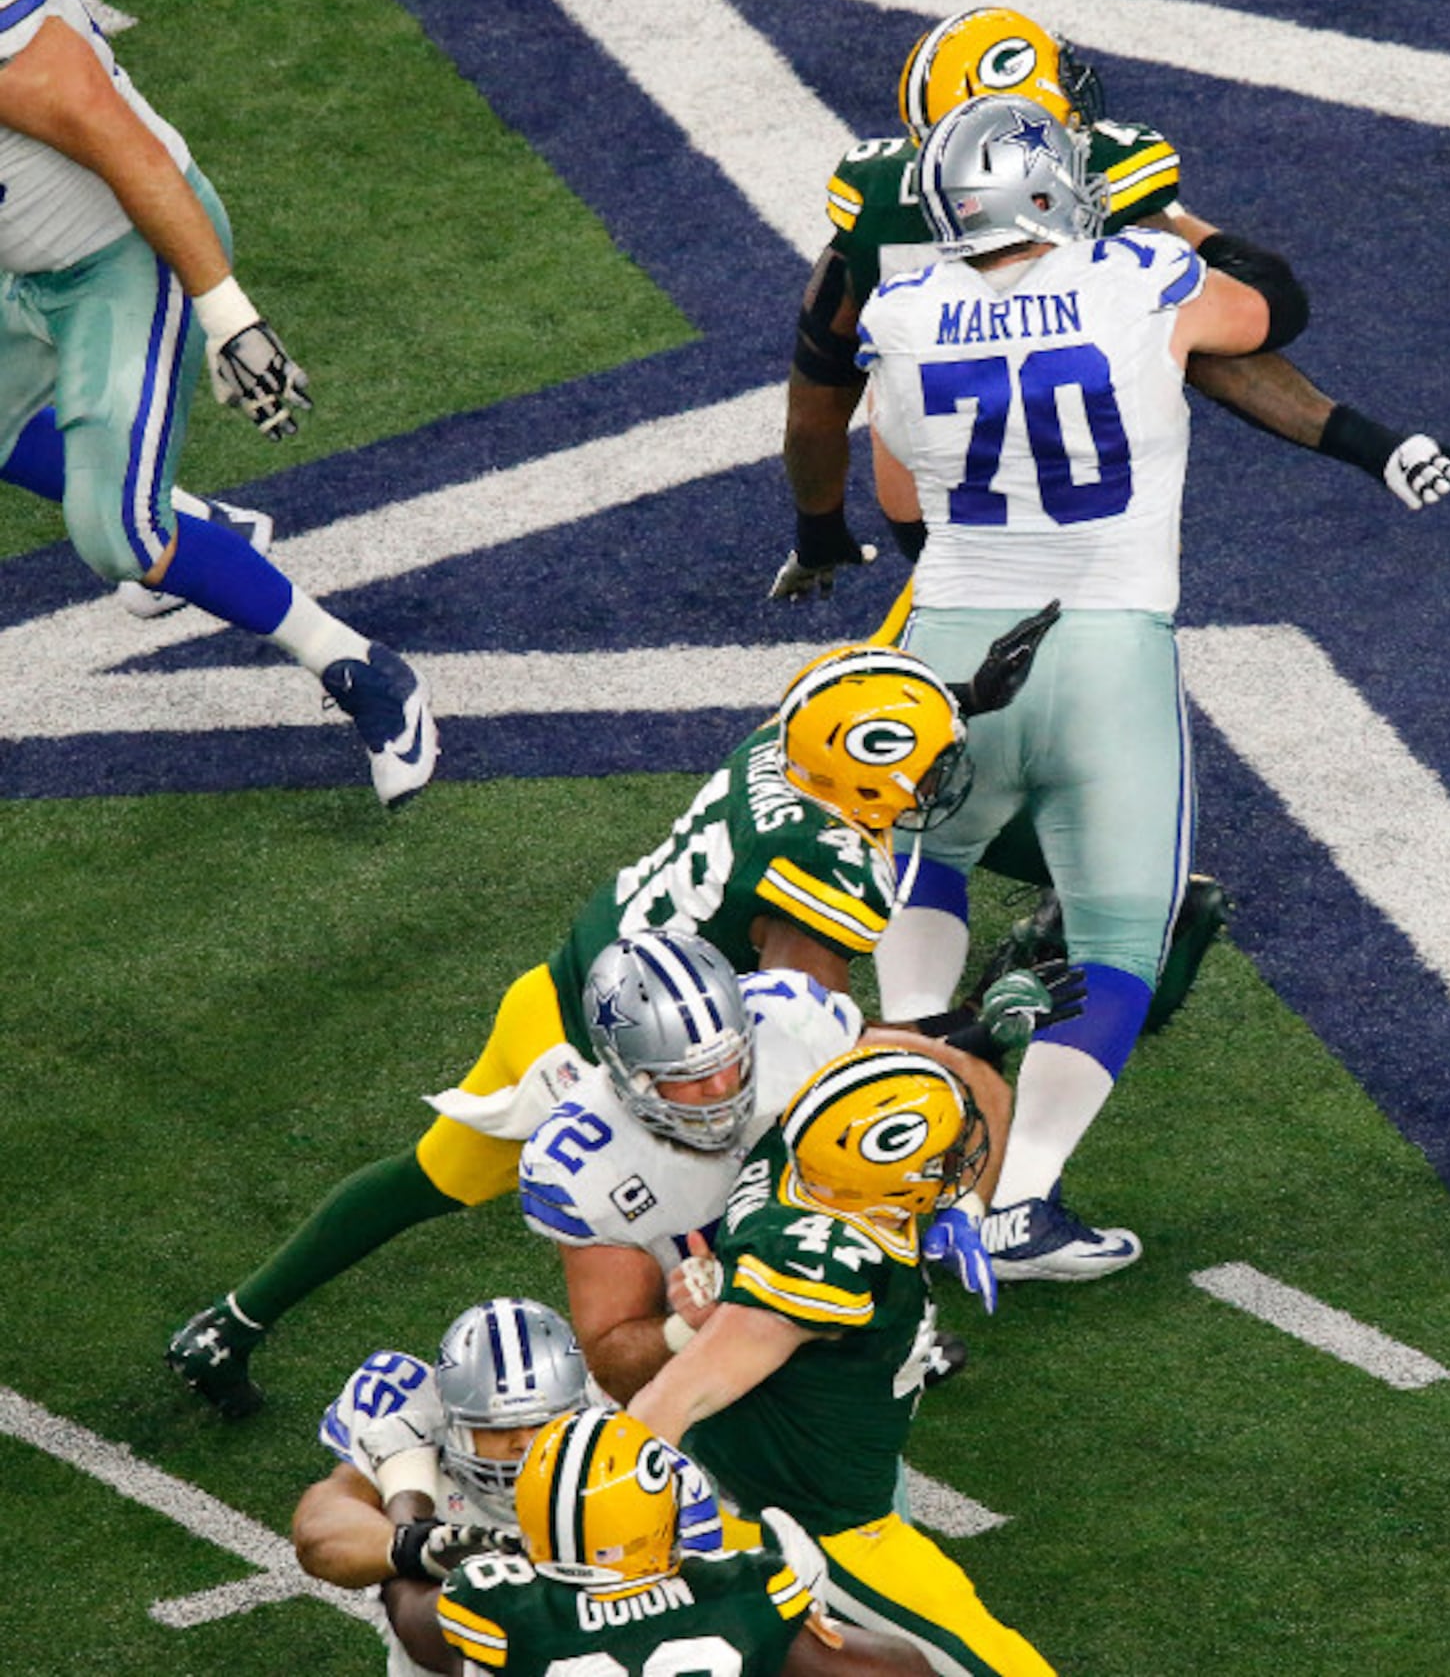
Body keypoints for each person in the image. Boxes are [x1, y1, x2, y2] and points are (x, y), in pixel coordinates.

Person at [775, 7, 1450, 1050]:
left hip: (956, 529)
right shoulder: (1119, 221)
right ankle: (1107, 915)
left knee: (874, 781)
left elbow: (817, 394)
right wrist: (1200, 242)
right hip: (1096, 549)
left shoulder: (881, 217)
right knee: (1008, 758)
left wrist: (820, 524)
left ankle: (907, 1027)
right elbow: (1256, 321)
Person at [168, 634, 1042, 1416]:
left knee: (432, 1174)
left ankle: (227, 1323)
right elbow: (807, 1041)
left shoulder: (780, 750)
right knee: (800, 1170)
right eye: (920, 764)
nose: (933, 784)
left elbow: (834, 700)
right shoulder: (826, 864)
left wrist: (955, 695)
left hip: (558, 994)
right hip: (644, 1069)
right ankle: (866, 1349)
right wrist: (965, 1031)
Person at [850, 93, 1323, 1284]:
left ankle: (891, 1145)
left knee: (927, 868)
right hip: (1109, 642)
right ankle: (1020, 1200)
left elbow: (899, 500)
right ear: (1054, 187)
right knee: (1121, 936)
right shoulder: (1142, 278)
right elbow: (1274, 306)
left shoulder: (897, 310)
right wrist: (1185, 226)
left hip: (952, 644)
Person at [0, 0, 434, 802]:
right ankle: (208, 527)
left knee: (121, 537)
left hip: (118, 254)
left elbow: (116, 137)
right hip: (22, 255)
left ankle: (358, 664)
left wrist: (226, 311)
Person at [629, 1046, 1053, 1676]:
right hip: (818, 1528)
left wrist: (977, 1026)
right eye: (938, 1158)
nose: (954, 1164)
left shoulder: (800, 1159)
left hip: (783, 1469)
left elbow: (880, 1074)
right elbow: (666, 1404)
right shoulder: (826, 1265)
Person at [518, 928, 1060, 1404]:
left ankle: (866, 1342)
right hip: (707, 1350)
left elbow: (968, 1077)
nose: (721, 1087)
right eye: (689, 1075)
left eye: (731, 1059)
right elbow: (613, 1362)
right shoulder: (588, 1160)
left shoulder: (786, 1022)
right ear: (627, 1075)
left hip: (820, 1255)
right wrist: (688, 1327)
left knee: (882, 1159)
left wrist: (966, 1208)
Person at [379, 1408, 940, 1677]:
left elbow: (408, 1614)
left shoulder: (498, 1602)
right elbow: (899, 1668)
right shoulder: (746, 1589)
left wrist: (410, 1523)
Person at [290, 1298, 684, 1677]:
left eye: (542, 1423)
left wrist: (412, 1528)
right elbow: (318, 1533)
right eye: (499, 1428)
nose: (524, 1443)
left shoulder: (619, 1458)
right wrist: (412, 1546)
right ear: (453, 1422)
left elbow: (423, 1632)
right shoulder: (420, 1425)